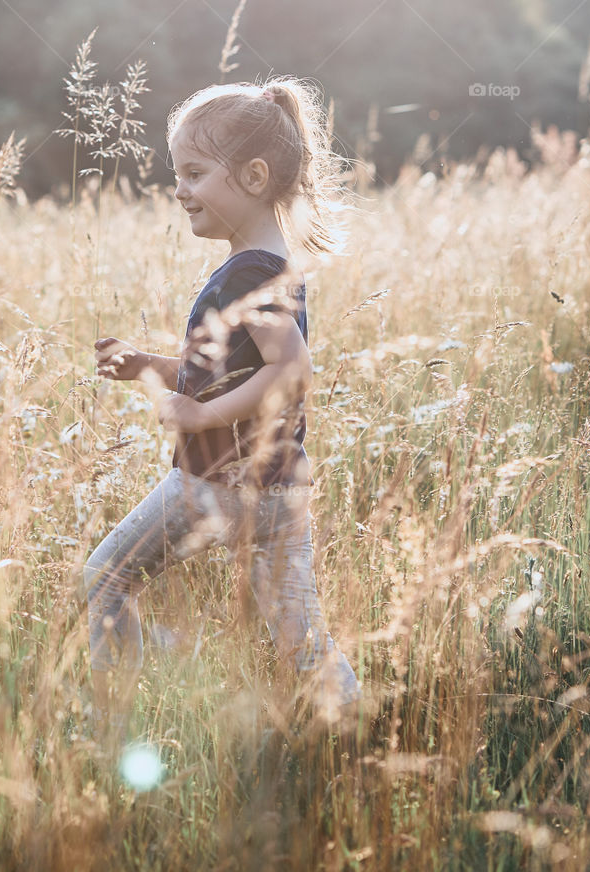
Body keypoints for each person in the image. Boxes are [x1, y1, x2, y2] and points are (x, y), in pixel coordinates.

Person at [82, 77, 364, 754]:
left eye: (193, 172)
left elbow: (290, 374)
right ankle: (356, 741)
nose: (179, 189)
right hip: (276, 491)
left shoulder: (245, 274)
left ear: (253, 175)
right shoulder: (267, 265)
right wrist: (150, 365)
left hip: (215, 482)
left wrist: (196, 418)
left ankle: (110, 731)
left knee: (106, 579)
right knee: (303, 640)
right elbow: (232, 374)